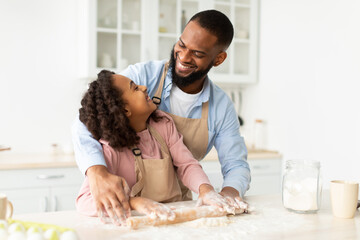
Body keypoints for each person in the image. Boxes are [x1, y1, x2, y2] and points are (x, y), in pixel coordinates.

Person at [72, 9, 250, 225]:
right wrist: (97, 172)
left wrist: (219, 193)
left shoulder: (176, 120)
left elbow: (225, 164)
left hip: (177, 210)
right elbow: (89, 119)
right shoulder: (140, 76)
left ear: (219, 59)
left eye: (198, 54)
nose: (183, 57)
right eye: (181, 45)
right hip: (135, 220)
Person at [76, 70, 233, 225]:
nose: (144, 87)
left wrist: (205, 189)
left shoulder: (163, 125)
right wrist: (134, 203)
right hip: (141, 227)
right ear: (125, 110)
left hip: (175, 219)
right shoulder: (111, 150)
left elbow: (187, 165)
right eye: (135, 88)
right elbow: (84, 201)